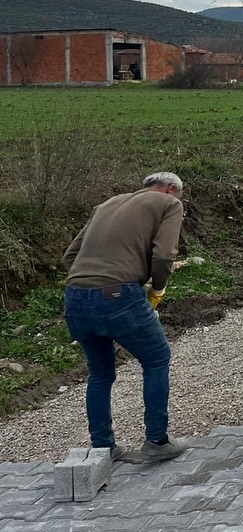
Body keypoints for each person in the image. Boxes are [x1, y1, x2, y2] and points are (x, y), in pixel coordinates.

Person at [62, 171, 188, 462]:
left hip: (76, 296)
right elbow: (164, 255)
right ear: (170, 189)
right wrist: (157, 287)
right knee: (156, 358)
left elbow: (70, 256)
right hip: (119, 295)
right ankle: (157, 441)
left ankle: (103, 447)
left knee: (100, 372)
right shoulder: (169, 204)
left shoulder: (106, 205)